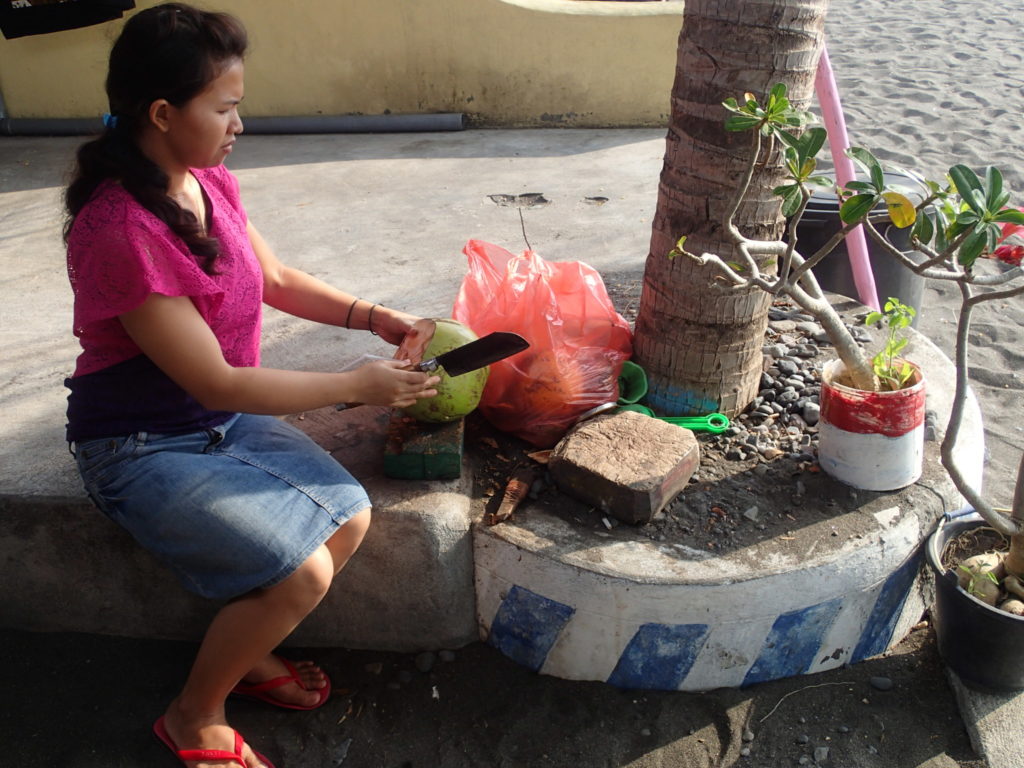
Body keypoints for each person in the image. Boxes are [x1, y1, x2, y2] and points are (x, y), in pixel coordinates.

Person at [62, 4, 439, 767]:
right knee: (300, 571)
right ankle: (193, 713)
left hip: (213, 422)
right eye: (225, 107)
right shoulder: (120, 233)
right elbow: (219, 380)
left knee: (350, 519)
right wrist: (356, 387)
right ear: (164, 113)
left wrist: (375, 317)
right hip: (138, 443)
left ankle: (245, 648)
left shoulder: (204, 179)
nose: (240, 124)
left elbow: (273, 279)